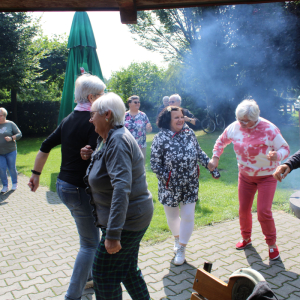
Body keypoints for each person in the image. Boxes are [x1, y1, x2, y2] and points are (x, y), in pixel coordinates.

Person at [28, 73, 106, 300]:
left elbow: (45, 146)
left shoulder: (69, 118)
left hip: (63, 186)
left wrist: (35, 175)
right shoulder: (94, 121)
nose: (104, 97)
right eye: (102, 94)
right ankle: (72, 295)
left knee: (91, 236)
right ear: (92, 97)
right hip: (78, 190)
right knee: (90, 244)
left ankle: (89, 277)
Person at [86, 92, 153, 300]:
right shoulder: (108, 138)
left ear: (107, 114)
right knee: (127, 270)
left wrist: (113, 234)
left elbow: (121, 188)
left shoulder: (118, 141)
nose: (90, 119)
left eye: (92, 115)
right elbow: (108, 169)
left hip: (127, 222)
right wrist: (92, 156)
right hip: (133, 217)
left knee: (103, 275)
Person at [209, 99, 290, 260]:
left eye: (247, 121)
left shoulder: (269, 129)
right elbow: (221, 141)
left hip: (267, 176)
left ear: (256, 117)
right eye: (240, 120)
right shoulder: (234, 127)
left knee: (263, 212)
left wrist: (277, 155)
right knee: (244, 209)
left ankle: (272, 245)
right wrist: (215, 157)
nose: (243, 124)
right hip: (245, 175)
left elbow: (285, 148)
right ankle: (246, 238)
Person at [150, 106, 220, 266]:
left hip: (190, 183)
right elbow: (154, 164)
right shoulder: (160, 138)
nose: (181, 120)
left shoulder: (189, 133)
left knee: (188, 216)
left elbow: (198, 152)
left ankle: (181, 247)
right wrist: (168, 177)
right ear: (168, 120)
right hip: (169, 187)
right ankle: (177, 238)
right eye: (176, 117)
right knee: (173, 217)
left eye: (182, 116)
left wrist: (209, 165)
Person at [124, 95, 152, 162]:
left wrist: (149, 128)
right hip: (127, 145)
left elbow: (149, 130)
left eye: (138, 102)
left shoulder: (143, 115)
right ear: (129, 104)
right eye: (135, 102)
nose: (137, 103)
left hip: (141, 145)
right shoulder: (124, 115)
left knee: (140, 166)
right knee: (127, 165)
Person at [0, 107, 22, 193]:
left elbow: (19, 134)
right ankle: (5, 186)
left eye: (0, 115)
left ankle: (14, 183)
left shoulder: (10, 124)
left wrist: (12, 138)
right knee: (1, 168)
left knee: (12, 168)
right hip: (0, 152)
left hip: (10, 151)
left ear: (5, 116)